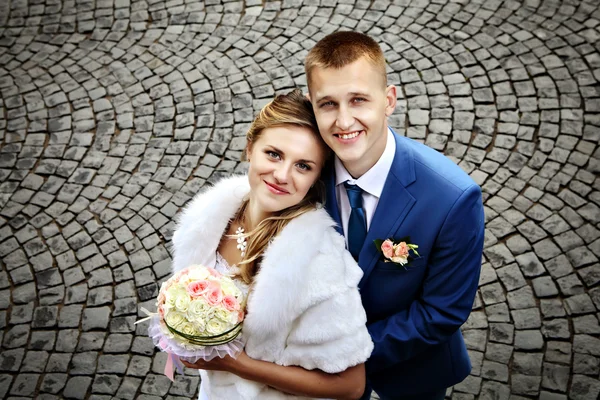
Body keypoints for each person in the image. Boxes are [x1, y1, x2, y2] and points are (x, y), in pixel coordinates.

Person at [304, 32, 485, 400]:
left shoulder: (453, 198)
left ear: (389, 100)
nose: (343, 120)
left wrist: (342, 358)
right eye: (328, 104)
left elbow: (442, 311)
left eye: (358, 100)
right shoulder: (303, 178)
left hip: (412, 372)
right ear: (311, 106)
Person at [170, 89, 373, 400]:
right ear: (250, 148)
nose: (281, 175)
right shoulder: (210, 219)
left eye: (303, 166)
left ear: (316, 177)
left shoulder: (319, 261)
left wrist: (236, 364)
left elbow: (351, 386)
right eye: (274, 154)